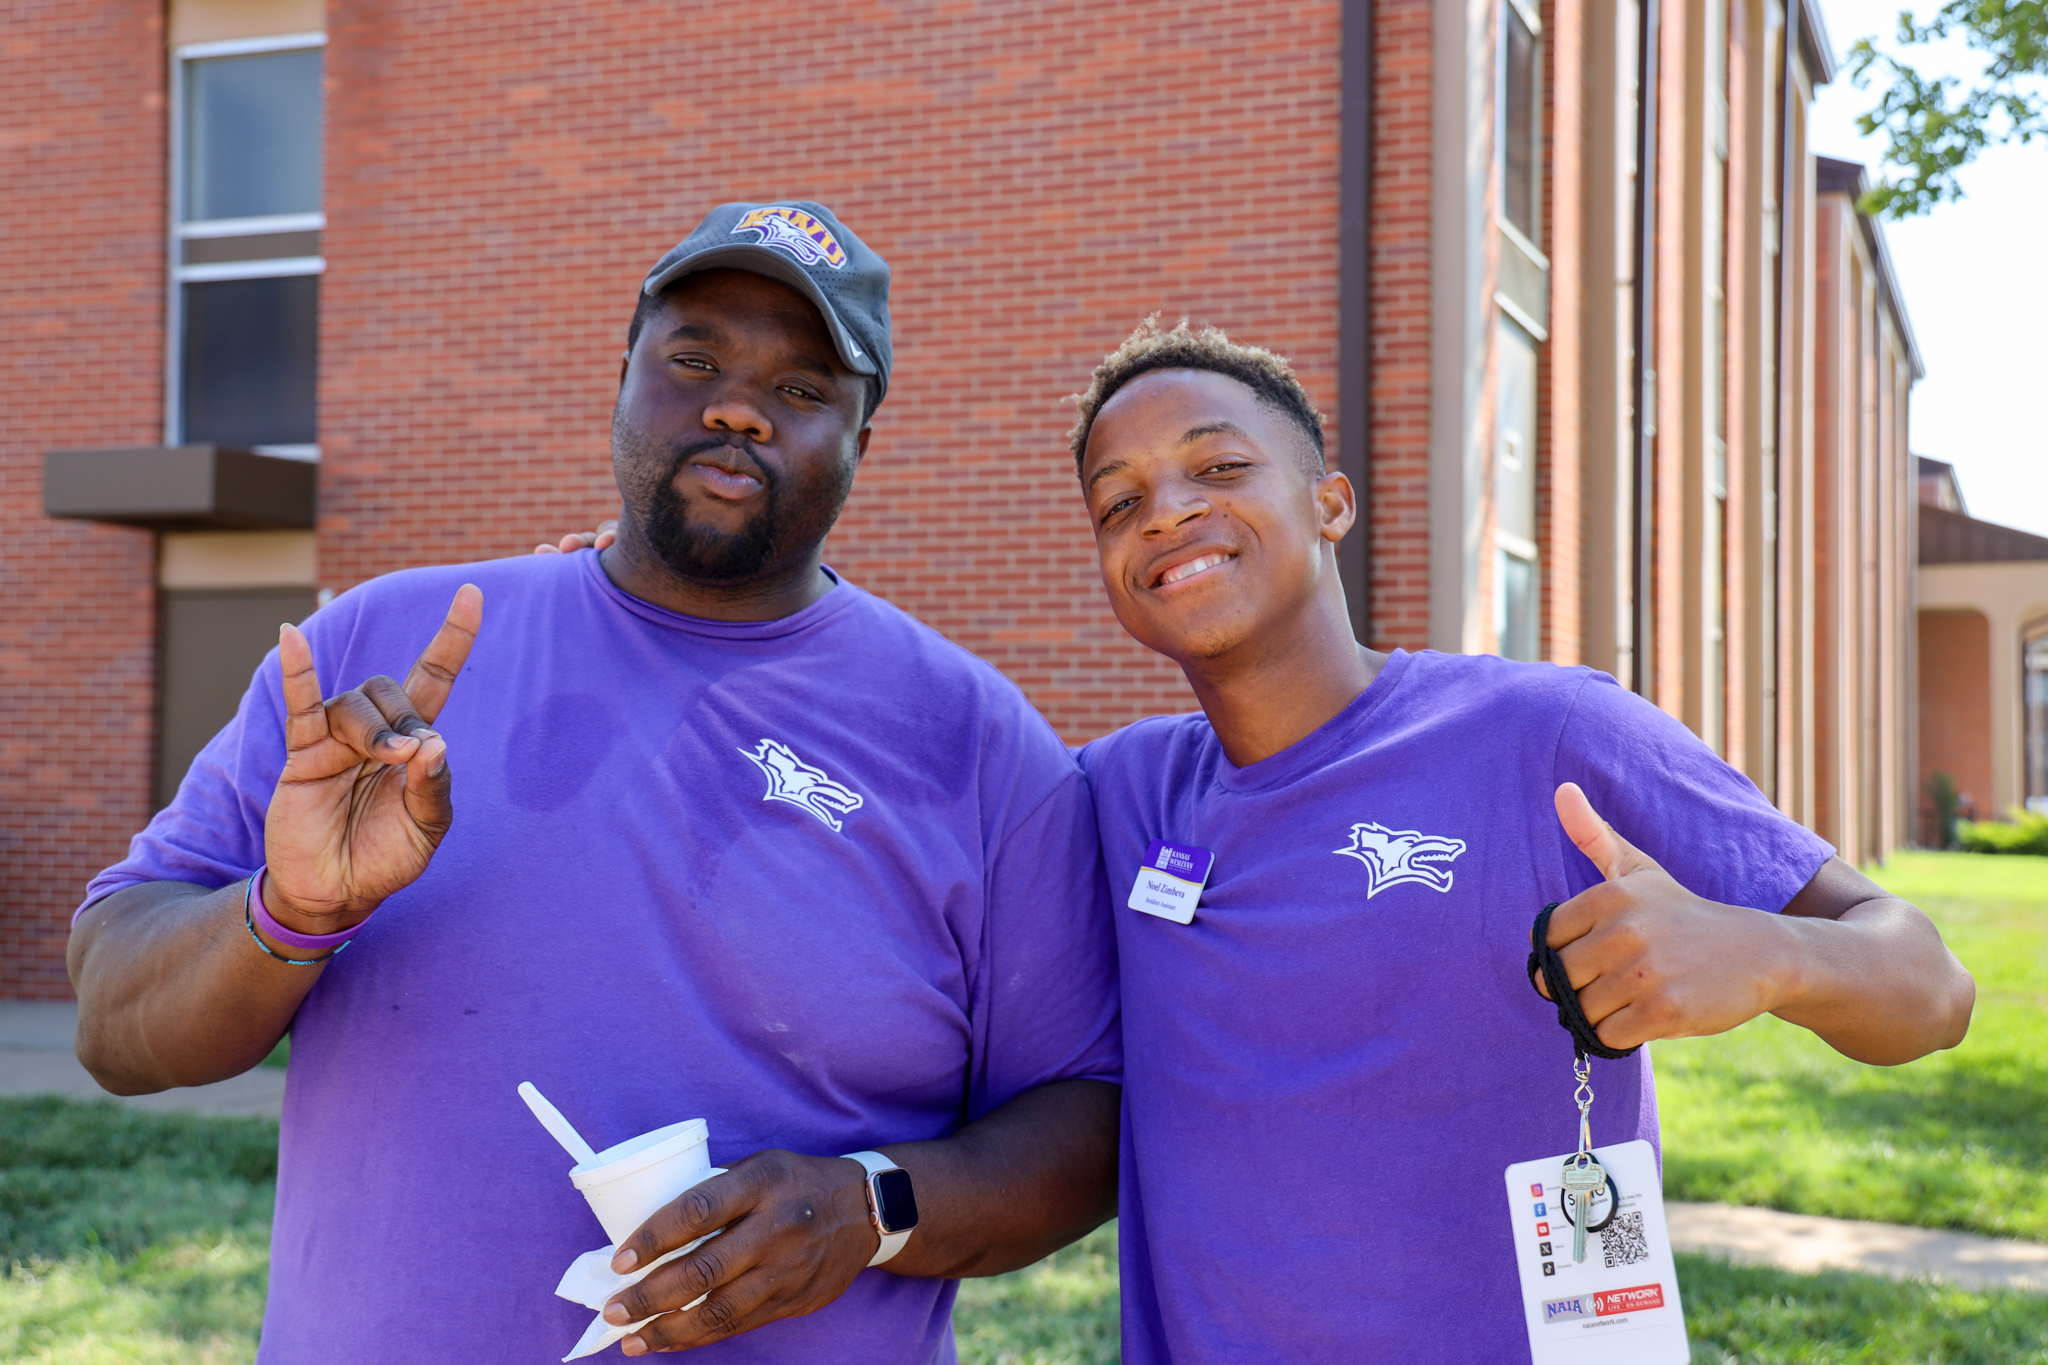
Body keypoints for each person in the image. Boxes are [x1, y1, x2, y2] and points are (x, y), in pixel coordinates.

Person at [68, 202, 1121, 1364]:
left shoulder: (972, 741)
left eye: (804, 389)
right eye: (696, 359)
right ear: (623, 372)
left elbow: (1088, 1122)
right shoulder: (383, 653)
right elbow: (118, 1028)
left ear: (861, 438)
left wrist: (871, 1207)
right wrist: (288, 912)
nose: (736, 406)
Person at [1062, 320, 1975, 1363]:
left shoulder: (1547, 734)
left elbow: (1932, 989)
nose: (1167, 512)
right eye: (1118, 502)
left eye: (1217, 467)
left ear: (1330, 503)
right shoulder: (1117, 793)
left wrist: (1772, 956)